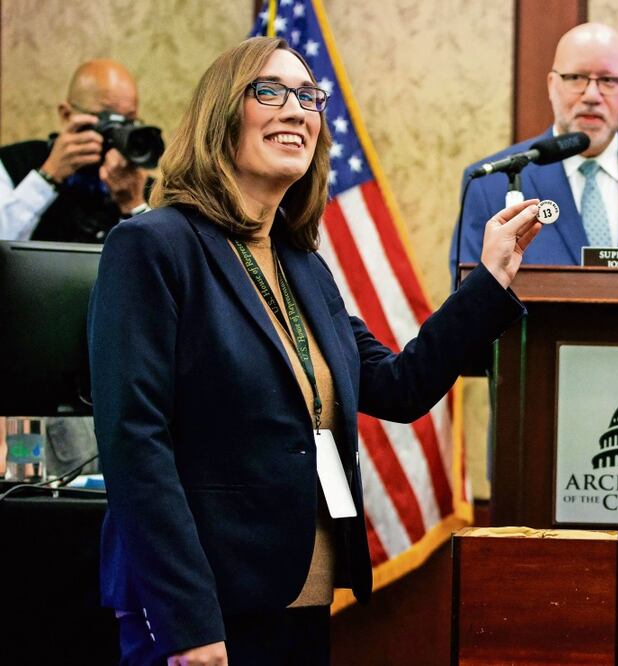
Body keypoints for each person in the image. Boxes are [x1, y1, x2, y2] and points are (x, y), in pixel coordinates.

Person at [88, 37, 542, 665]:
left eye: (308, 97)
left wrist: (488, 281)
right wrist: (189, 623)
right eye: (269, 91)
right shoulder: (154, 247)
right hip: (202, 612)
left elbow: (399, 386)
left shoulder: (303, 267)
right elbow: (135, 443)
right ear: (222, 115)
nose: (296, 110)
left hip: (301, 601)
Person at [449, 22, 618, 278]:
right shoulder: (490, 183)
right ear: (551, 85)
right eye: (576, 77)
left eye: (608, 80)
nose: (592, 95)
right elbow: (467, 307)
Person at [0, 59, 150, 243]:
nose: (116, 131)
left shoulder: (143, 185)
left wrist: (133, 205)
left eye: (128, 121)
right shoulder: (13, 163)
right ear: (66, 114)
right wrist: (48, 177)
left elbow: (159, 263)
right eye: (106, 119)